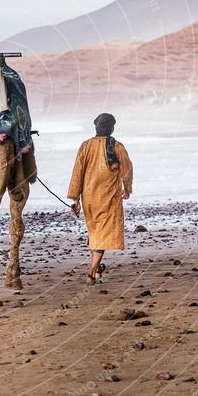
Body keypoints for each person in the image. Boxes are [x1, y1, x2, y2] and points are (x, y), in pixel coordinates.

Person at [67, 113, 133, 284]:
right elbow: (127, 169)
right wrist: (127, 188)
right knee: (102, 235)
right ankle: (91, 273)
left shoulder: (85, 146)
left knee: (96, 233)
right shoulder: (117, 146)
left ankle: (96, 271)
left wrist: (75, 199)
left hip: (89, 198)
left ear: (96, 128)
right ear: (112, 128)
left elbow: (77, 173)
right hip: (109, 197)